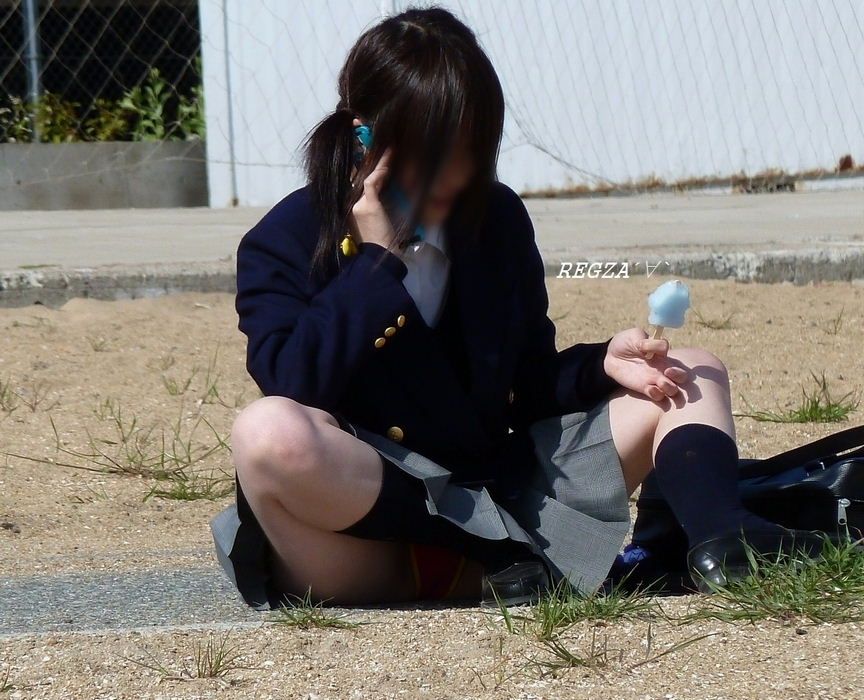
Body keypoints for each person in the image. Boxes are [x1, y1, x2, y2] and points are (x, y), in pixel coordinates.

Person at [210, 6, 820, 609]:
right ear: (365, 135)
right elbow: (293, 382)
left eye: (471, 150)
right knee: (266, 432)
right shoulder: (286, 237)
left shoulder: (493, 217)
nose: (456, 176)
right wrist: (376, 263)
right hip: (363, 545)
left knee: (692, 369)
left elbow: (526, 385)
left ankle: (725, 543)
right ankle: (500, 559)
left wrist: (602, 364)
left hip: (498, 499)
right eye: (433, 152)